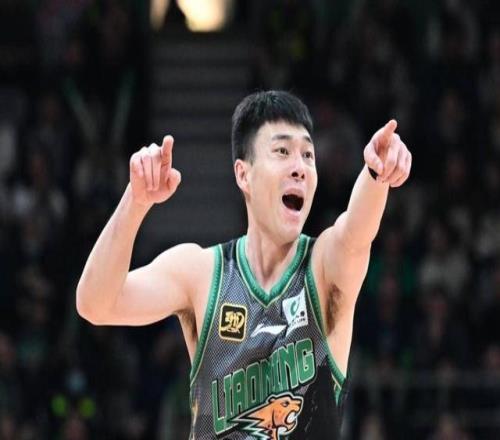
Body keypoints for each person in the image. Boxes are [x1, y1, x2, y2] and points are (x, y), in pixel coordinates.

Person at [76, 90, 412, 439]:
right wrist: (135, 201)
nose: (299, 167)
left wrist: (377, 174)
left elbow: (356, 231)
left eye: (308, 155)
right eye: (282, 151)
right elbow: (95, 304)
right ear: (243, 174)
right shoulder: (202, 273)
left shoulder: (324, 267)